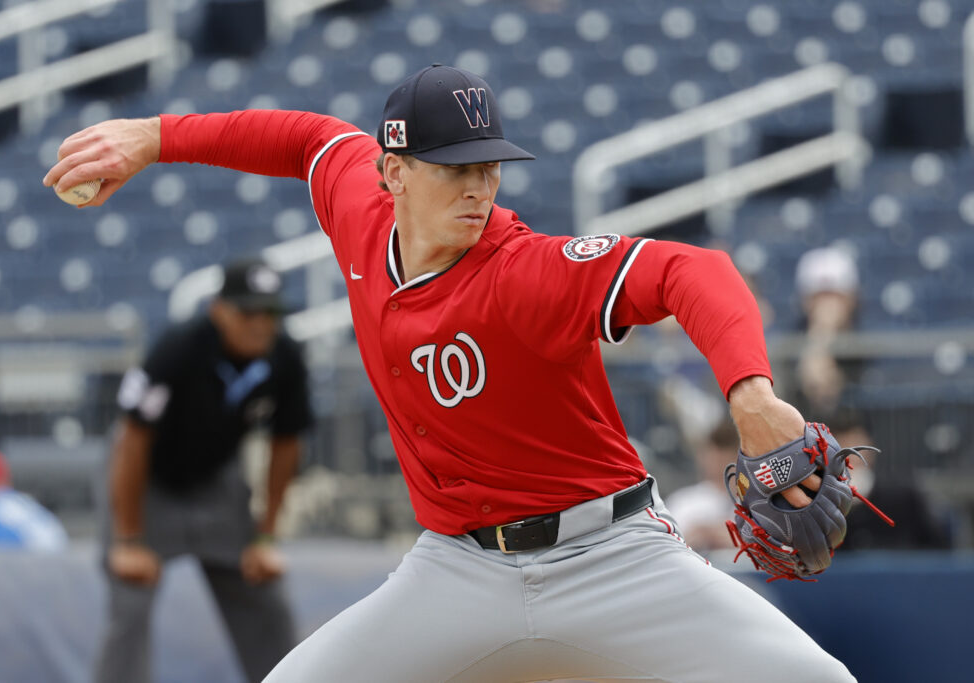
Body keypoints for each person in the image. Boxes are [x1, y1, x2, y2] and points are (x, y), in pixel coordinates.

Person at [47, 65, 858, 682]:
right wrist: (156, 136)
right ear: (392, 171)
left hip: (612, 555)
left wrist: (750, 391)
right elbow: (303, 139)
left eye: (489, 166)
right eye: (453, 167)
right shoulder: (359, 211)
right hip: (458, 567)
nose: (478, 185)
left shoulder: (529, 271)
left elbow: (694, 270)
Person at [93, 258, 314, 683]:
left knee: (264, 593)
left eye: (270, 313)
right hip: (145, 480)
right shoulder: (180, 346)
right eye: (248, 312)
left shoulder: (285, 356)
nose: (261, 324)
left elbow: (286, 443)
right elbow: (132, 440)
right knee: (130, 605)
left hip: (215, 481)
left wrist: (266, 536)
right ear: (220, 310)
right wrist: (127, 540)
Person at [829, 412, 951, 552]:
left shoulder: (905, 496)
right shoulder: (821, 504)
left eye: (856, 445)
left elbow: (940, 549)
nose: (851, 456)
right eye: (842, 446)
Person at [789, 246, 863, 418]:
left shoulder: (865, 343)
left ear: (851, 299)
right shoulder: (791, 342)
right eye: (819, 297)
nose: (827, 305)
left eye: (835, 296)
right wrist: (821, 334)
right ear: (805, 301)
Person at [663, 419, 739, 554]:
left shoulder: (756, 505)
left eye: (725, 455)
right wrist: (700, 535)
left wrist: (718, 535)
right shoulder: (684, 502)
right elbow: (666, 550)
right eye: (713, 454)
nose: (717, 461)